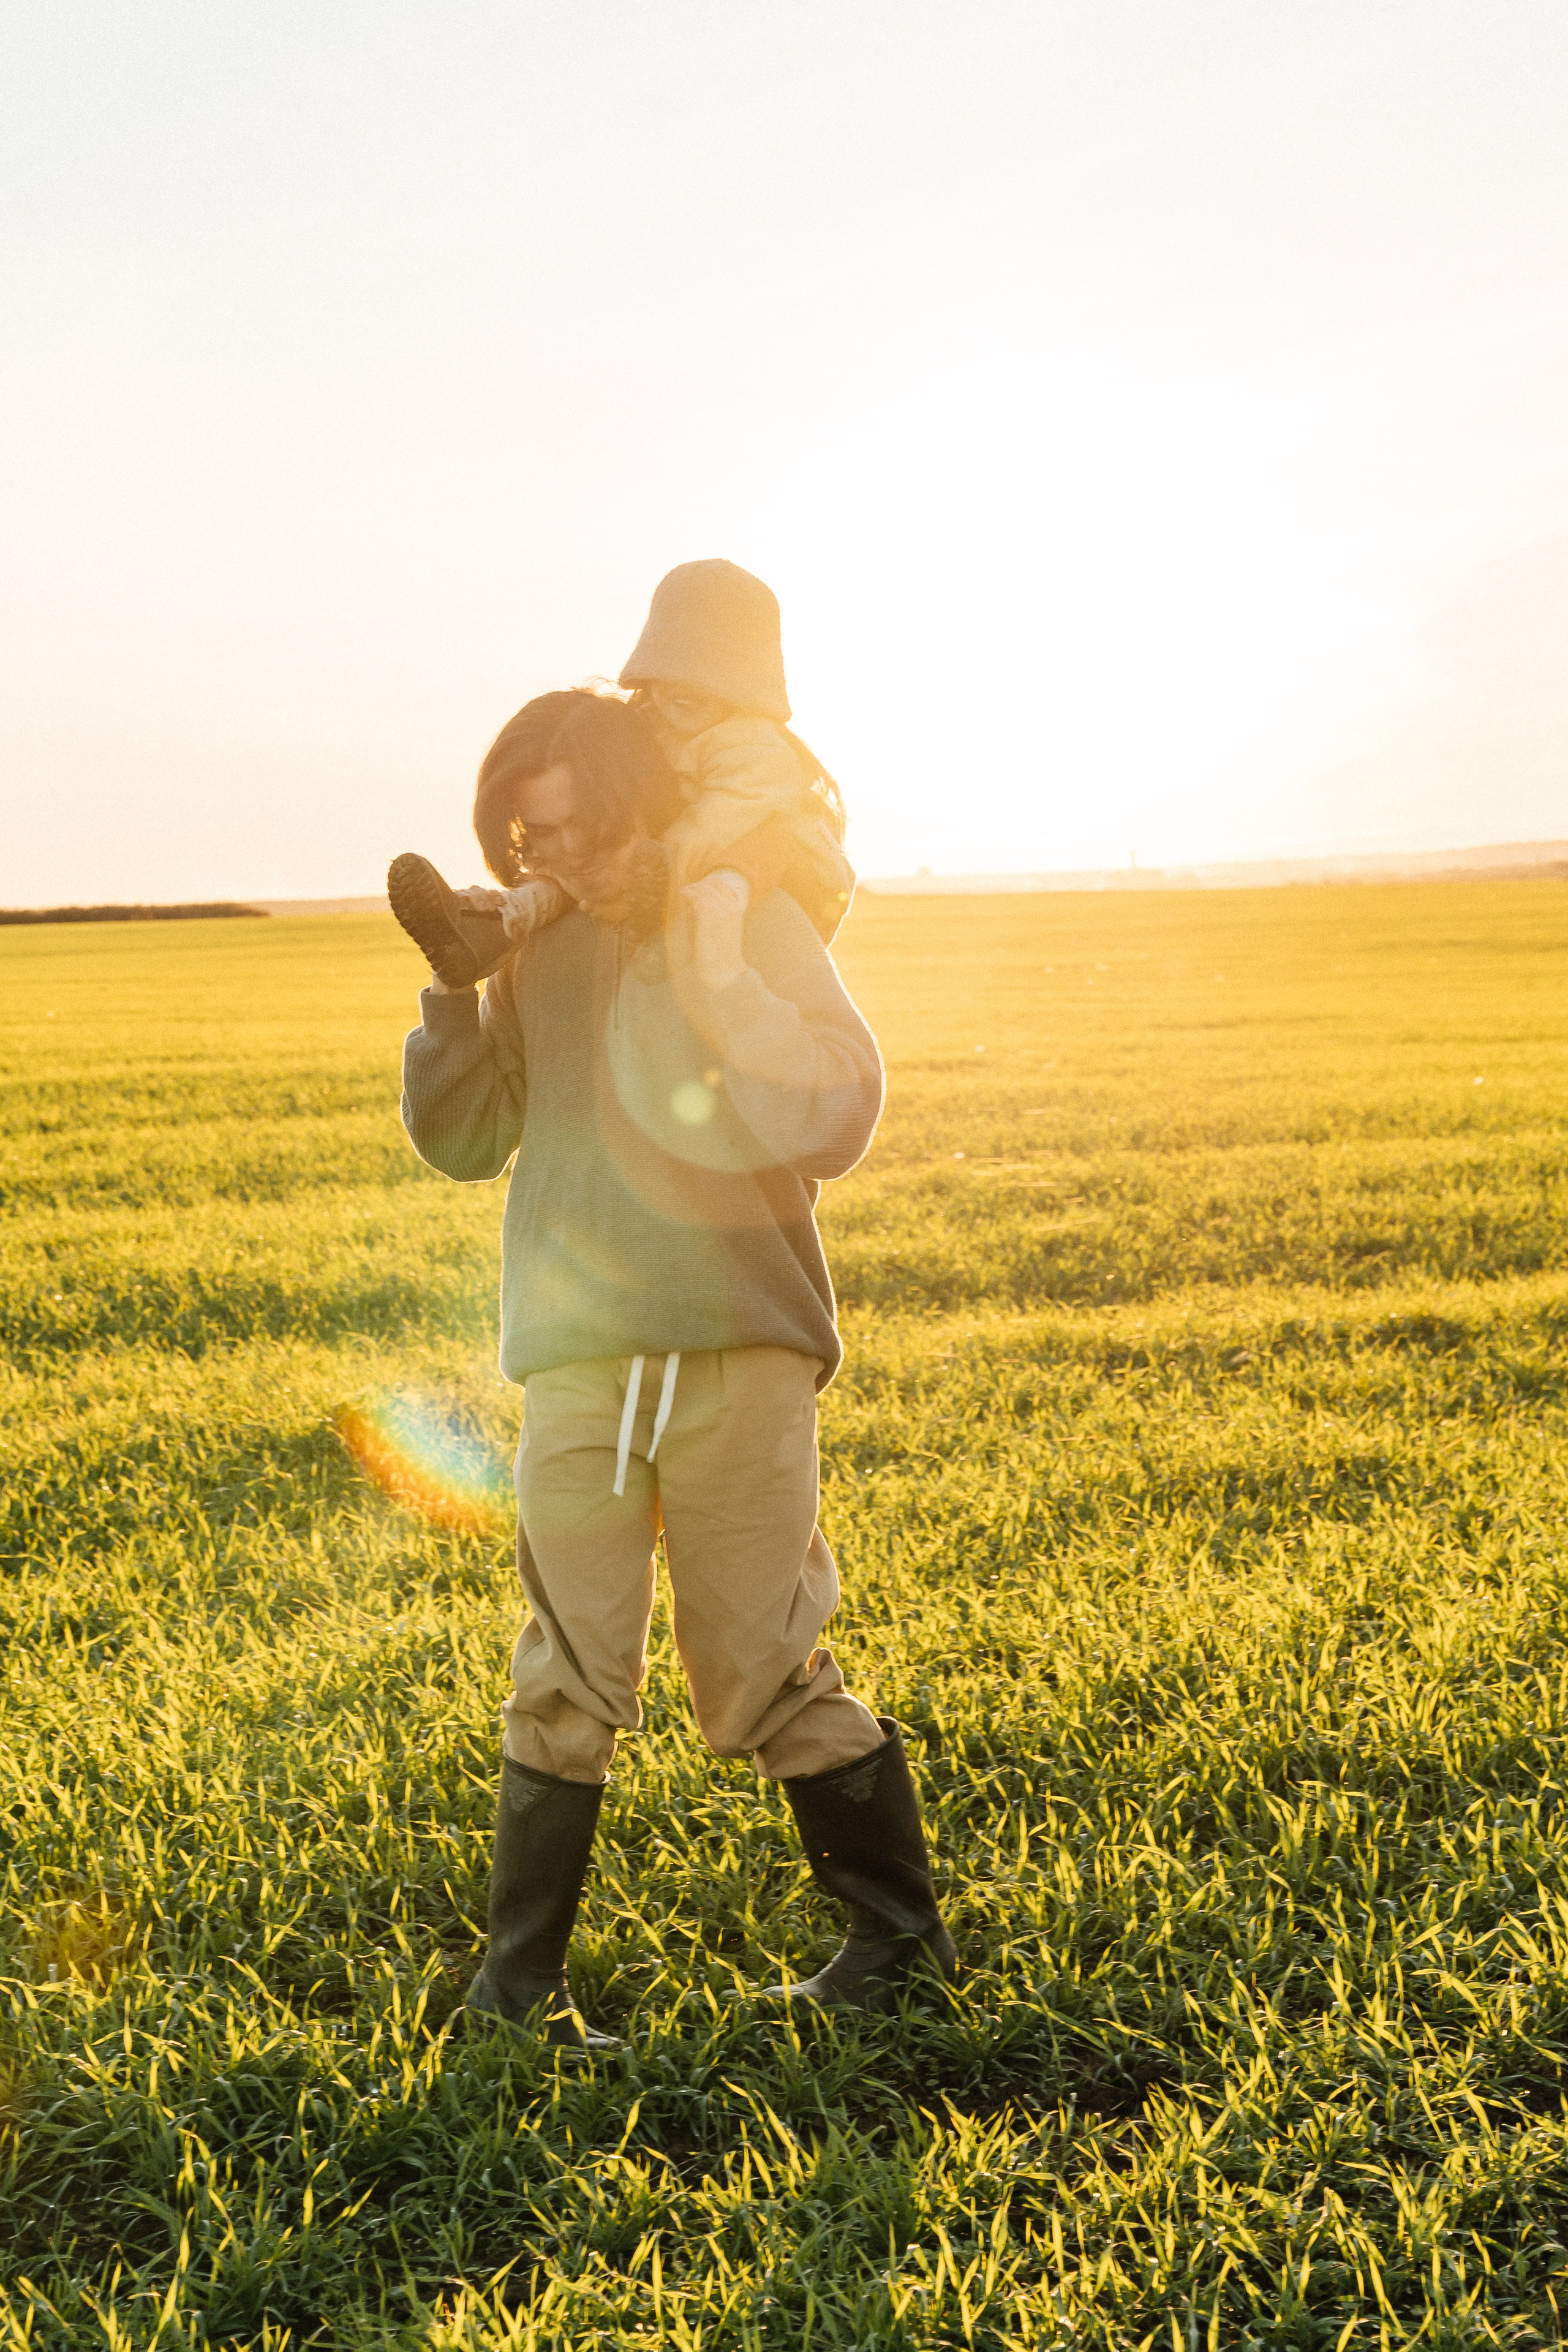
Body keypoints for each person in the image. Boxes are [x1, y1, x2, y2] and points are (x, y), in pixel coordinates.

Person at [399, 687, 957, 2049]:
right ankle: (514, 1996)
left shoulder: (741, 912)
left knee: (759, 1665)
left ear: (637, 801)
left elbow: (835, 1107)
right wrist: (458, 989)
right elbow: (467, 1139)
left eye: (577, 828)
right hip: (577, 1353)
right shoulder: (531, 953)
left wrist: (706, 957)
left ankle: (897, 1946)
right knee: (565, 1670)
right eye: (527, 843)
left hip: (733, 1339)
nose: (554, 862)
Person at [385, 559, 854, 989]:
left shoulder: (754, 747)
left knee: (750, 848)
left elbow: (721, 821)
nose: (678, 694)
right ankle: (492, 923)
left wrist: (658, 869)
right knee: (582, 860)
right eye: (667, 678)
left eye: (703, 683)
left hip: (778, 866)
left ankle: (662, 940)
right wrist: (557, 870)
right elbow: (597, 809)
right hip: (673, 865)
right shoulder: (650, 723)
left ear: (745, 685)